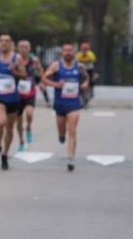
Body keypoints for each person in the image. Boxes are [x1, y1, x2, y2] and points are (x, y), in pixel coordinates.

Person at [42, 43, 88, 172]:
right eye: (65, 51)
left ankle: (71, 159)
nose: (68, 53)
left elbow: (86, 78)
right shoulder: (56, 66)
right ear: (62, 53)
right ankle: (61, 136)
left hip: (74, 104)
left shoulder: (79, 67)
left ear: (73, 52)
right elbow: (44, 78)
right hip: (60, 104)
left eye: (70, 50)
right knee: (62, 133)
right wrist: (56, 84)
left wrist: (84, 84)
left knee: (72, 131)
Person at [0, 33, 27, 171]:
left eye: (7, 41)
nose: (4, 43)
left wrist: (14, 71)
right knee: (0, 122)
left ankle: (4, 154)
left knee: (9, 129)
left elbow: (24, 75)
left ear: (11, 44)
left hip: (13, 98)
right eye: (2, 41)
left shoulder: (17, 58)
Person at [16, 39, 44, 149]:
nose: (23, 49)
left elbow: (41, 72)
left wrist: (41, 82)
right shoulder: (15, 60)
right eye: (21, 47)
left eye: (25, 47)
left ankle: (28, 127)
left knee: (29, 113)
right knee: (18, 120)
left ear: (29, 48)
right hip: (17, 92)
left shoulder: (34, 60)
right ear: (18, 48)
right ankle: (21, 141)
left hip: (30, 91)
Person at [76, 41, 97, 107]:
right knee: (80, 84)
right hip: (81, 71)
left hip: (89, 71)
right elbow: (76, 64)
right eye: (83, 49)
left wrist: (93, 75)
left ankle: (91, 92)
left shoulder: (91, 54)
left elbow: (93, 64)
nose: (84, 50)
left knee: (91, 83)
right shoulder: (78, 55)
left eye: (86, 49)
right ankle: (81, 99)